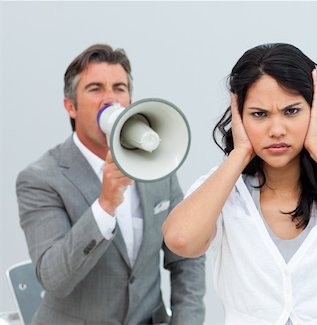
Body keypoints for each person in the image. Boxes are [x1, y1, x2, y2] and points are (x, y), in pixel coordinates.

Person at [162, 43, 317, 325]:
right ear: (239, 117)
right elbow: (181, 240)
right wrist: (240, 153)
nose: (276, 130)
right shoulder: (224, 189)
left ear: (315, 112)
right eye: (259, 114)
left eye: (291, 111)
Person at [16, 44, 205, 325]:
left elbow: (186, 257)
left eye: (119, 88)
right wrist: (105, 206)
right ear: (70, 106)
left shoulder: (156, 167)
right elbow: (54, 279)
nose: (110, 99)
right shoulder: (41, 179)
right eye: (95, 88)